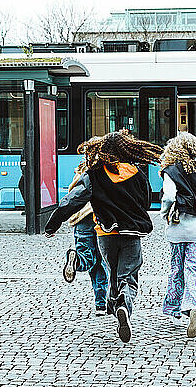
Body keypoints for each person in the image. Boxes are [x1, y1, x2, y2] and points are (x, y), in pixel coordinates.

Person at [45, 130, 163, 343]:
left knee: (112, 269)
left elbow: (71, 202)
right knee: (129, 275)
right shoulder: (136, 172)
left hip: (105, 233)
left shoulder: (93, 175)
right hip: (131, 231)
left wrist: (53, 224)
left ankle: (111, 303)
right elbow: (146, 201)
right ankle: (123, 305)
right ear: (126, 148)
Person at [159, 132, 196, 338]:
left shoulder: (170, 170)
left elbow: (169, 197)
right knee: (194, 268)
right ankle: (193, 306)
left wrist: (165, 214)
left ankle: (173, 308)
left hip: (178, 225)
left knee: (176, 267)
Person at [63, 160, 109, 317]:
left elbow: (71, 199)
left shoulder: (80, 173)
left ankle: (75, 260)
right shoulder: (105, 172)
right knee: (101, 262)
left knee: (88, 258)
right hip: (101, 218)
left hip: (82, 220)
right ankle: (101, 304)